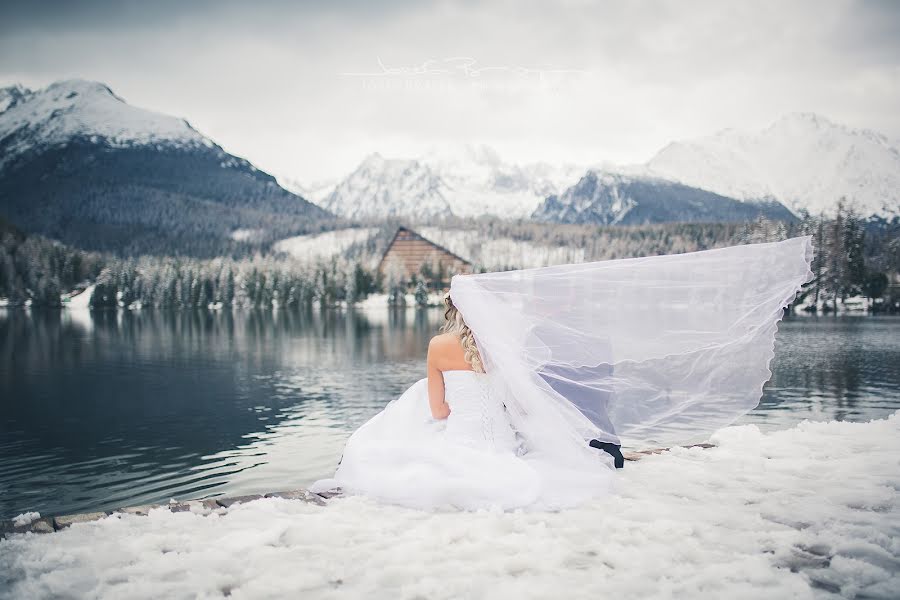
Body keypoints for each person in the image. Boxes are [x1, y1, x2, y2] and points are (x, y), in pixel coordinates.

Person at [312, 236, 814, 511]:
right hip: (504, 446)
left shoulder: (439, 346)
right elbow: (524, 402)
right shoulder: (507, 346)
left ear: (451, 309)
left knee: (415, 405)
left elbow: (441, 409)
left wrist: (449, 406)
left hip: (464, 438)